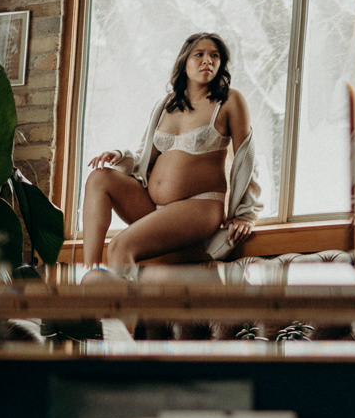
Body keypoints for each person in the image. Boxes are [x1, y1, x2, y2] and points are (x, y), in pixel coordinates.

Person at [79, 32, 261, 275]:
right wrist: (119, 155)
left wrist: (246, 214)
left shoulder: (229, 101)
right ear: (184, 62)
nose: (208, 60)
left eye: (214, 56)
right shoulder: (166, 105)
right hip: (153, 205)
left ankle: (131, 312)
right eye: (199, 55)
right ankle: (89, 276)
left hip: (200, 206)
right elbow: (145, 158)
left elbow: (246, 159)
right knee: (99, 178)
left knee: (119, 247)